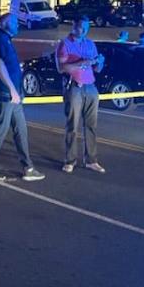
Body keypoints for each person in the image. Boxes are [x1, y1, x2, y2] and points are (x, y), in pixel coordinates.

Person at [0, 13, 45, 183]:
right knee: (1, 129)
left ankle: (28, 167)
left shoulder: (7, 39)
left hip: (13, 95)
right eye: (15, 23)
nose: (18, 25)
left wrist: (17, 91)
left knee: (21, 130)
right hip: (5, 94)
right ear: (5, 23)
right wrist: (12, 90)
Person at [57, 17, 105, 174]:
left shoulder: (90, 44)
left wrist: (100, 62)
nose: (83, 31)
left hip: (90, 86)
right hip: (74, 87)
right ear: (74, 25)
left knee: (91, 125)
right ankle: (70, 160)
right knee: (72, 125)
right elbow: (61, 68)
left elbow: (97, 69)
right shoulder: (65, 44)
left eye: (86, 28)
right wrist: (82, 62)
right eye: (80, 27)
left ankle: (91, 160)